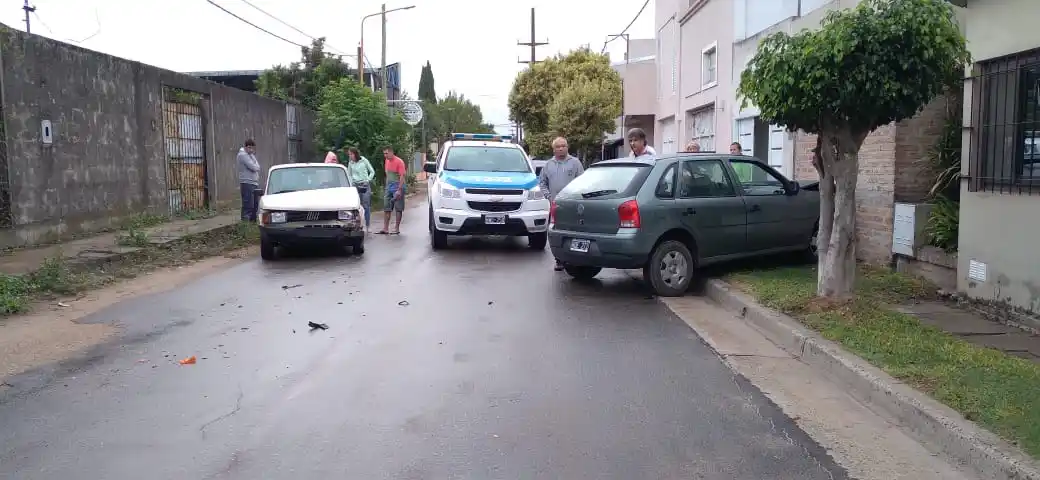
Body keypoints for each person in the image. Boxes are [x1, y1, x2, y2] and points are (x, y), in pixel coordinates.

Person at [538, 136, 585, 271]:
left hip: (572, 205)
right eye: (557, 146)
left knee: (573, 231)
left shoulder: (575, 163)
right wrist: (548, 196)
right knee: (556, 232)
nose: (560, 148)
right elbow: (542, 183)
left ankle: (574, 259)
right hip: (556, 206)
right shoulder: (548, 165)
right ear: (553, 149)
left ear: (567, 147)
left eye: (563, 145)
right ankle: (559, 259)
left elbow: (582, 182)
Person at [378, 145, 407, 235]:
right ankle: (385, 228)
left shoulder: (399, 162)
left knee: (398, 208)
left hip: (398, 186)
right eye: (384, 154)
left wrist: (399, 190)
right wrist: (386, 187)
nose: (385, 155)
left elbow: (402, 176)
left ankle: (396, 228)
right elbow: (387, 175)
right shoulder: (386, 161)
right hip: (389, 186)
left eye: (386, 153)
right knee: (387, 207)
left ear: (391, 152)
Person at [345, 147, 376, 230]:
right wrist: (351, 183)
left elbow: (372, 171)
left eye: (351, 154)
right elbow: (349, 174)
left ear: (355, 154)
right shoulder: (351, 163)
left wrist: (368, 180)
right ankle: (358, 225)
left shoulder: (363, 160)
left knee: (366, 205)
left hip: (364, 184)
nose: (350, 156)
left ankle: (368, 225)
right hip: (355, 185)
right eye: (349, 154)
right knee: (357, 205)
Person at [237, 139, 261, 222]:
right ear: (246, 147)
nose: (251, 150)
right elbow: (254, 167)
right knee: (248, 205)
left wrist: (253, 158)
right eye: (250, 148)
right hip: (247, 183)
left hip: (254, 183)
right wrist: (255, 165)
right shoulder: (242, 155)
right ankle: (245, 223)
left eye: (253, 148)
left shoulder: (250, 155)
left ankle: (252, 223)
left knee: (255, 205)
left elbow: (258, 166)